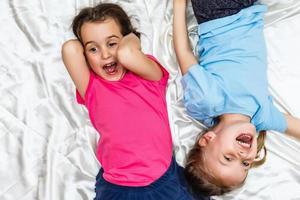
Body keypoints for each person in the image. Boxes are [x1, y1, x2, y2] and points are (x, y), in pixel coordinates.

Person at [61, 3, 193, 200]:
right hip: (117, 187)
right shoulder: (91, 86)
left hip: (163, 180)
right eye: (93, 49)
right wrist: (106, 42)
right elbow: (70, 48)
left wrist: (131, 35)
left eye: (112, 43)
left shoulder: (149, 76)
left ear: (125, 42)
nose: (105, 55)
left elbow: (128, 54)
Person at [173, 0, 300, 197]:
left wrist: (178, 5)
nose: (242, 155)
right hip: (251, 9)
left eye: (228, 157)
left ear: (208, 139)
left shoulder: (207, 100)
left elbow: (183, 51)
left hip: (217, 12)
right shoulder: (262, 117)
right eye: (245, 163)